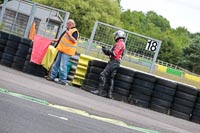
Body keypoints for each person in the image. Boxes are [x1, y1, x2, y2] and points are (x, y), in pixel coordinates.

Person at [91, 30, 126, 98]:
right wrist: (106, 51)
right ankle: (109, 94)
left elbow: (114, 53)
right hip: (117, 62)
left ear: (118, 35)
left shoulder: (120, 43)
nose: (115, 36)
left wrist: (106, 50)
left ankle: (99, 91)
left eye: (116, 35)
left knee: (103, 74)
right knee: (111, 77)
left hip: (114, 61)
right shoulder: (122, 43)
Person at [46, 19, 79, 85]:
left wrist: (69, 34)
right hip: (62, 49)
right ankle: (52, 77)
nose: (66, 25)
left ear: (71, 24)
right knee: (56, 64)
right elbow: (62, 39)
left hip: (67, 51)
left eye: (67, 24)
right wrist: (55, 40)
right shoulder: (68, 30)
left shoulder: (74, 31)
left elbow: (74, 41)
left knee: (63, 65)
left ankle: (63, 80)